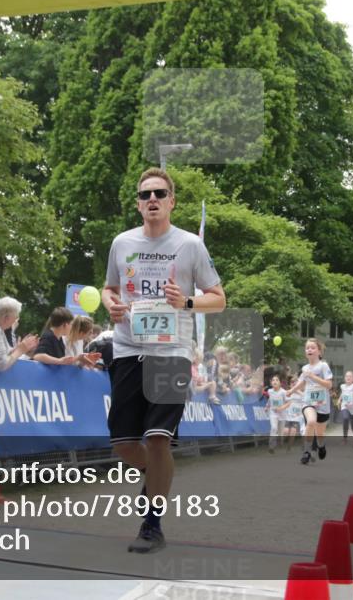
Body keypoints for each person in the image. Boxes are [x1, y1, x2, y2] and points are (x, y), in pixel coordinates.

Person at [102, 167, 225, 554]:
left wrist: (185, 301)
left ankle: (152, 525)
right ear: (138, 204)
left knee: (157, 439)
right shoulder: (122, 243)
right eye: (145, 195)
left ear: (172, 201)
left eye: (159, 193)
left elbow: (218, 298)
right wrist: (112, 305)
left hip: (171, 352)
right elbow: (108, 288)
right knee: (124, 442)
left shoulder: (189, 245)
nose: (151, 200)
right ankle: (154, 477)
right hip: (127, 348)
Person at [288, 338, 333, 465]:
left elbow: (329, 385)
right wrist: (291, 390)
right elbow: (302, 382)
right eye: (307, 348)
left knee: (320, 434)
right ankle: (307, 451)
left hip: (323, 405)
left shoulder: (323, 366)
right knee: (311, 421)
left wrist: (313, 376)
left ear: (319, 351)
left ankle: (321, 445)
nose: (309, 350)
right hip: (308, 402)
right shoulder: (305, 368)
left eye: (313, 347)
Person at [265, 375, 287, 453]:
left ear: (280, 383)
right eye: (273, 380)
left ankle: (281, 440)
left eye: (277, 380)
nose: (274, 381)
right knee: (274, 428)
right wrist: (267, 406)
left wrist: (282, 408)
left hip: (282, 414)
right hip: (273, 412)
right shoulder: (269, 391)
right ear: (271, 383)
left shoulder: (284, 392)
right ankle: (271, 446)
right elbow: (270, 400)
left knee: (281, 432)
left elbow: (289, 403)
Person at [339, 370, 353, 448]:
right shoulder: (342, 386)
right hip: (345, 406)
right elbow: (343, 393)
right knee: (345, 418)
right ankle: (345, 438)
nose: (348, 377)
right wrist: (339, 400)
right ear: (344, 378)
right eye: (346, 376)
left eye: (350, 376)